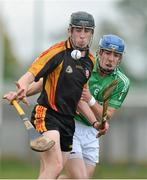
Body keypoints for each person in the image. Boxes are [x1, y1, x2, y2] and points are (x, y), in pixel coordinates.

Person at [3, 11, 102, 179]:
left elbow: (79, 97)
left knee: (51, 171)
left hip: (68, 122)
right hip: (47, 114)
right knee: (55, 166)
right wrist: (23, 87)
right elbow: (31, 74)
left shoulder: (90, 62)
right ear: (70, 31)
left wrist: (94, 121)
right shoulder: (57, 52)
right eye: (78, 30)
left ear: (92, 34)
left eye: (87, 31)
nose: (82, 36)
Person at [58, 34, 130, 179]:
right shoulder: (84, 66)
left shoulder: (122, 82)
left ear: (120, 59)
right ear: (100, 52)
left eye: (116, 55)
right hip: (71, 125)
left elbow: (107, 115)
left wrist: (90, 99)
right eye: (108, 53)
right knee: (80, 178)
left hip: (92, 133)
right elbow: (77, 101)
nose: (111, 59)